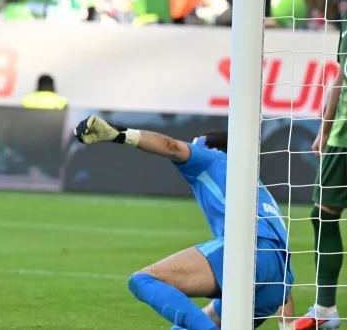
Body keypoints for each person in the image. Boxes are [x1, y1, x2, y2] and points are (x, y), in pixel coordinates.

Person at [74, 115, 296, 330]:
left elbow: (171, 146)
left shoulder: (214, 159)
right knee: (188, 326)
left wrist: (119, 134)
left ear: (213, 149)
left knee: (143, 280)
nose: (191, 149)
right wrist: (288, 325)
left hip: (248, 255)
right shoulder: (258, 191)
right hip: (276, 286)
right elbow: (278, 264)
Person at [295, 0, 347, 330]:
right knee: (321, 213)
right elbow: (340, 78)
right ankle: (325, 310)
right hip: (340, 137)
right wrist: (324, 129)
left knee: (323, 214)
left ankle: (326, 311)